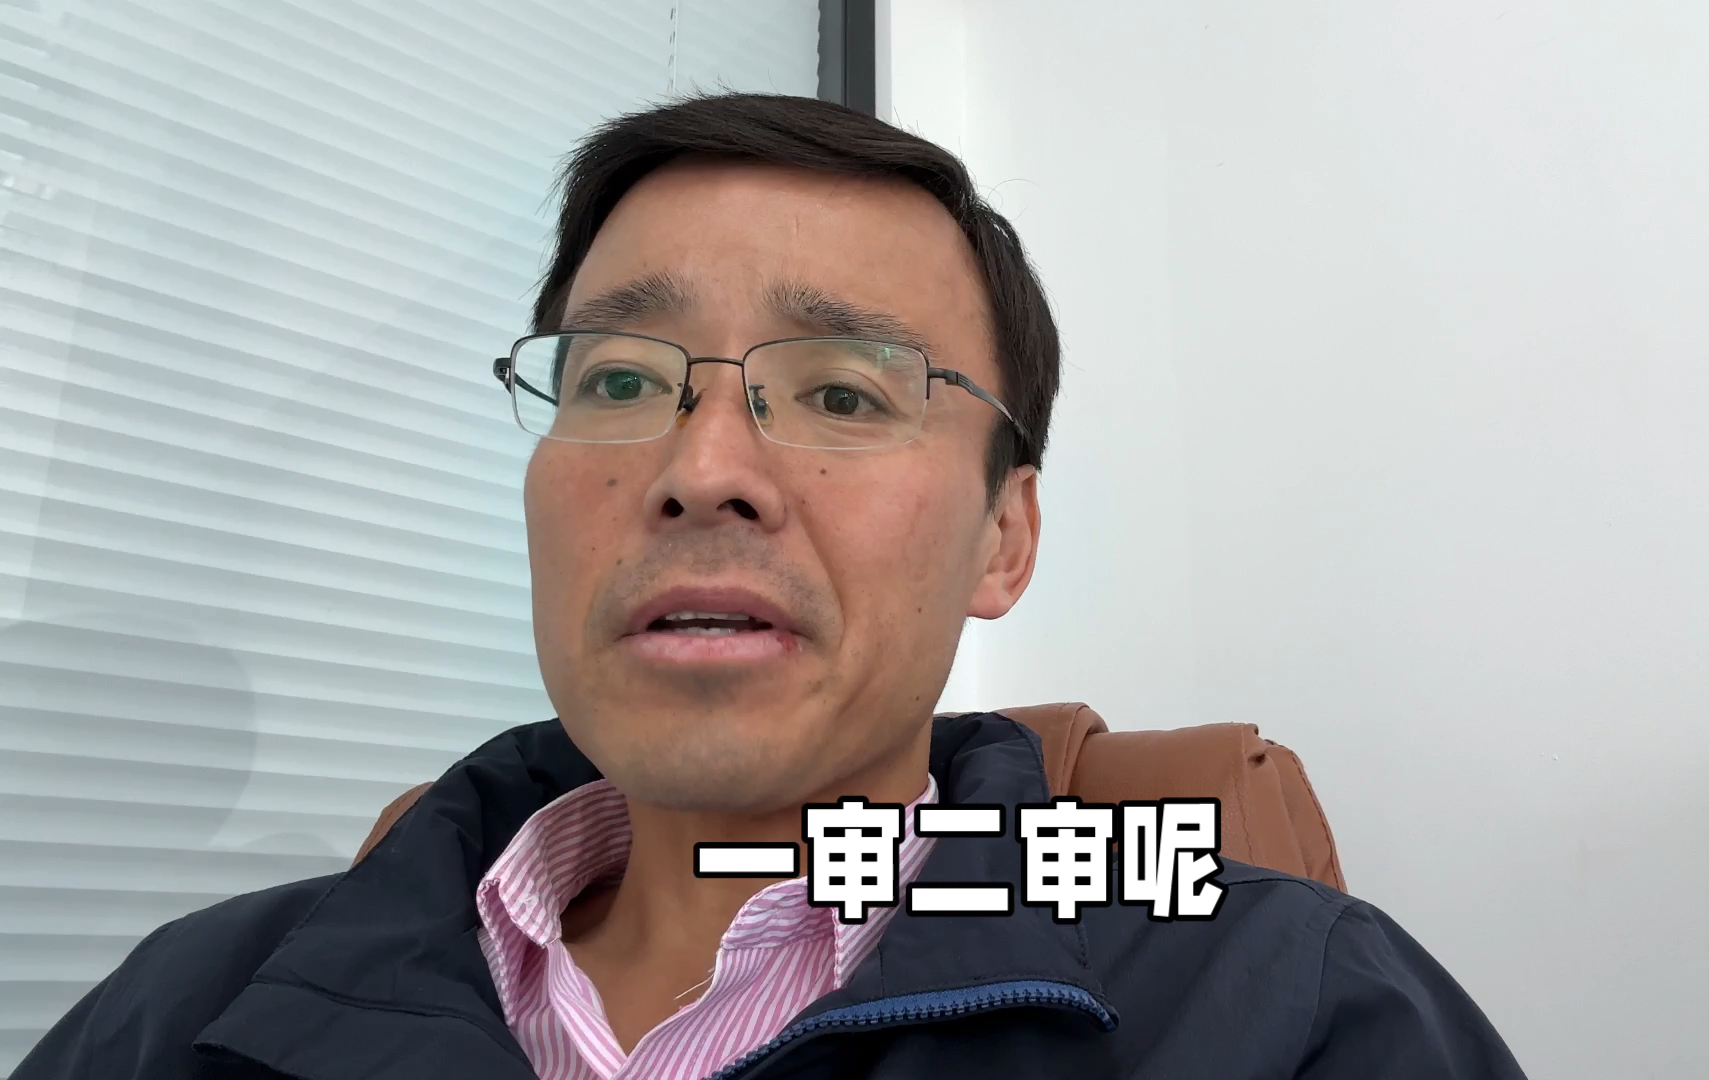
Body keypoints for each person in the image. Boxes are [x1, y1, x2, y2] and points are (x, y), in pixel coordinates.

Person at [16, 93, 1527, 1080]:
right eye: (619, 379)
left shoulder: (1291, 1013)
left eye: (845, 394)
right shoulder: (187, 1012)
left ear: (1004, 539)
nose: (703, 467)